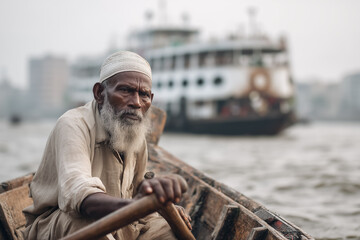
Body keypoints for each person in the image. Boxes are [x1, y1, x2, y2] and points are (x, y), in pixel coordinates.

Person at [23, 51, 191, 240]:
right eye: (125, 90)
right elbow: (80, 196)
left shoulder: (136, 134)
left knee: (169, 230)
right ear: (99, 93)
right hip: (61, 223)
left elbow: (137, 191)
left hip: (123, 223)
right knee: (88, 224)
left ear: (150, 99)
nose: (136, 102)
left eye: (143, 94)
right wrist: (136, 207)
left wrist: (162, 208)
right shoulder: (73, 124)